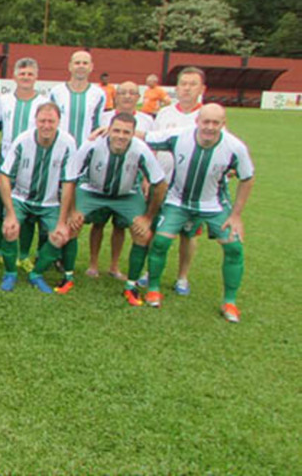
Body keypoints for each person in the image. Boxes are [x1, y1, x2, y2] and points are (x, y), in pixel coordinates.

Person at [142, 104, 254, 323]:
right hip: (177, 202)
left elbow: (247, 178)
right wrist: (107, 130)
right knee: (160, 242)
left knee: (234, 248)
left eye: (216, 123)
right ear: (197, 121)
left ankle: (229, 301)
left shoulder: (235, 147)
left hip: (214, 206)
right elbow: (145, 136)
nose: (210, 127)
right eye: (206, 121)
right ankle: (153, 288)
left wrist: (236, 215)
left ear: (224, 124)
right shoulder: (179, 136)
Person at [65, 113, 168, 304]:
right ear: (109, 130)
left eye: (126, 132)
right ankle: (68, 277)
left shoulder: (141, 149)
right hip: (92, 191)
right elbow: (70, 177)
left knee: (143, 234)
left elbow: (160, 184)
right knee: (71, 225)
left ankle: (131, 285)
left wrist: (148, 217)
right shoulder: (92, 145)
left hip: (126, 195)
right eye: (117, 130)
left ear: (133, 134)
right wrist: (72, 211)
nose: (121, 136)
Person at [0, 102, 79, 294]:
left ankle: (37, 274)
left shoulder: (67, 143)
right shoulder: (23, 140)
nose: (46, 125)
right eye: (42, 121)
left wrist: (62, 221)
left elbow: (68, 183)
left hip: (50, 202)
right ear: (36, 121)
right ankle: (10, 273)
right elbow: (4, 175)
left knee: (60, 236)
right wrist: (10, 213)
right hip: (21, 198)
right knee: (9, 229)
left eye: (51, 121)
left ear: (59, 121)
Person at [139, 66, 206, 295]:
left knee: (188, 234)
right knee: (155, 227)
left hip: (192, 187)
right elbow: (152, 147)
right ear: (177, 88)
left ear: (201, 88)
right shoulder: (166, 113)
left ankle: (182, 277)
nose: (187, 88)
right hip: (162, 182)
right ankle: (150, 271)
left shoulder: (206, 115)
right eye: (183, 83)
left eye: (192, 84)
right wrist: (148, 178)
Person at [87, 81, 157, 278]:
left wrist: (146, 179)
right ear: (116, 96)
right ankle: (93, 264)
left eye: (132, 93)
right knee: (98, 224)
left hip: (130, 183)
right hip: (101, 180)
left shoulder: (147, 120)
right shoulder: (104, 117)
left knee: (121, 226)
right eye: (123, 92)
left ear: (138, 97)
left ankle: (114, 266)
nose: (127, 96)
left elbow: (151, 152)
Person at [0, 58, 49, 271]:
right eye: (22, 74)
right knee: (0, 210)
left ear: (36, 77)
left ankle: (23, 255)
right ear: (14, 76)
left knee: (28, 212)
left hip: (31, 166)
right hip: (5, 163)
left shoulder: (43, 102)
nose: (26, 78)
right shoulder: (3, 100)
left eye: (30, 74)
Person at [49, 50, 107, 148]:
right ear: (70, 66)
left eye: (85, 63)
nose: (81, 66)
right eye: (77, 63)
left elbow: (97, 125)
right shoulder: (56, 92)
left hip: (86, 149)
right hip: (59, 148)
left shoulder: (98, 94)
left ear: (91, 67)